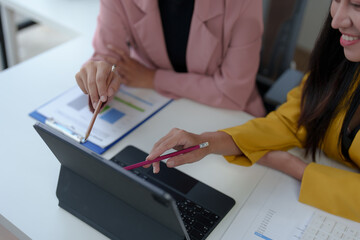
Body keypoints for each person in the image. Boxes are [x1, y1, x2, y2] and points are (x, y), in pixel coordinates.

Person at [145, 0, 360, 223]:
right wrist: (205, 142)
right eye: (336, 0)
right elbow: (292, 122)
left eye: (357, 5)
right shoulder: (342, 62)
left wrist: (294, 167)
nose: (336, 21)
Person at [75, 0, 266, 117]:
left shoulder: (243, 2)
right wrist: (101, 72)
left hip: (228, 115)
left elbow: (233, 92)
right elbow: (108, 53)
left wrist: (153, 78)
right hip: (156, 107)